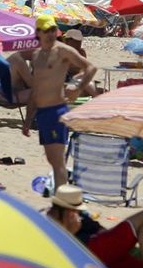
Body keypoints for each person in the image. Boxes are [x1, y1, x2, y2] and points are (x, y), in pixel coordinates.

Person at [18, 15, 95, 190]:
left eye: (53, 29)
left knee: (58, 160)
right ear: (38, 33)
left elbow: (90, 68)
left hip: (57, 111)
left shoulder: (62, 50)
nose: (51, 33)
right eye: (47, 30)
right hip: (42, 114)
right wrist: (28, 120)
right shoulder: (37, 56)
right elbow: (35, 91)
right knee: (52, 160)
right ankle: (63, 195)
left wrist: (77, 88)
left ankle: (63, 201)